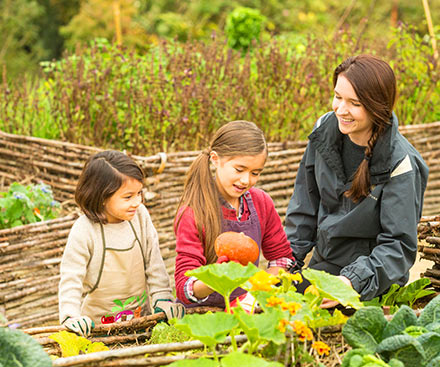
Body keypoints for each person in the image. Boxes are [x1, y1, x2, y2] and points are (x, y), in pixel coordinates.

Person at [285, 54, 429, 305]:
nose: (341, 109)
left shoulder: (401, 163)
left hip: (374, 283)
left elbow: (398, 247)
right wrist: (285, 264)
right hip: (325, 268)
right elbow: (303, 209)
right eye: (338, 97)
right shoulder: (323, 135)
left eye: (354, 103)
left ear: (377, 106)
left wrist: (350, 283)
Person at [58, 150, 184, 337]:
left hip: (142, 321)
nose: (137, 202)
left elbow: (154, 262)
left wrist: (162, 298)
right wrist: (70, 316)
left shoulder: (140, 216)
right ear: (100, 197)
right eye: (128, 197)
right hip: (97, 329)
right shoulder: (84, 229)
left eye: (139, 193)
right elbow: (71, 278)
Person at [174, 120, 296, 308]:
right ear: (215, 159)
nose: (246, 180)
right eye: (239, 170)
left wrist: (257, 292)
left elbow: (281, 258)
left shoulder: (261, 203)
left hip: (246, 309)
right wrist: (217, 278)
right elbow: (184, 287)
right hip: (201, 316)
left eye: (255, 173)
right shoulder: (193, 213)